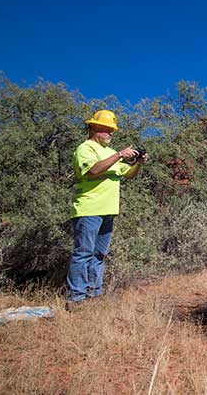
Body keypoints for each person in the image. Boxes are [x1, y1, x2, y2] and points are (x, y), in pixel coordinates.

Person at [66, 109, 148, 306]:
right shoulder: (85, 149)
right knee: (83, 253)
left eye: (112, 130)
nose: (111, 134)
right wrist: (120, 154)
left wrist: (138, 163)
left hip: (108, 211)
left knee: (99, 254)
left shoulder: (110, 153)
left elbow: (128, 174)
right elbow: (93, 169)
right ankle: (76, 298)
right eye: (107, 130)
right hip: (88, 210)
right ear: (94, 128)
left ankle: (94, 294)